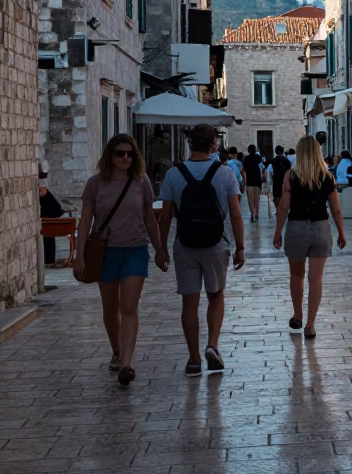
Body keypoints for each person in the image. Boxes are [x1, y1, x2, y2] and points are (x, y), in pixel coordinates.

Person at [73, 134, 167, 386]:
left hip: (135, 250)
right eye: (120, 153)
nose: (125, 157)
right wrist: (78, 255)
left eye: (129, 153)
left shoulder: (141, 182)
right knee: (110, 307)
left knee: (128, 306)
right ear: (110, 156)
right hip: (105, 252)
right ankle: (116, 350)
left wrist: (159, 250)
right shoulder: (95, 184)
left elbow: (150, 218)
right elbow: (85, 223)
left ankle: (126, 362)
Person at [158, 124, 246, 377]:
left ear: (189, 144)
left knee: (189, 301)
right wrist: (240, 247)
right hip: (216, 243)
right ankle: (213, 345)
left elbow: (165, 217)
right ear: (213, 145)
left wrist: (162, 248)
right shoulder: (225, 173)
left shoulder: (174, 174)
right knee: (216, 295)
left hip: (185, 244)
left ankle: (194, 359)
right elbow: (236, 215)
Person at [273, 135, 346, 339]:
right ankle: (310, 325)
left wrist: (278, 231)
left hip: (296, 228)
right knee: (316, 279)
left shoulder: (291, 175)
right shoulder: (328, 177)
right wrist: (341, 232)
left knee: (296, 276)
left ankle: (297, 316)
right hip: (320, 228)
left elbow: (284, 206)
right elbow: (336, 209)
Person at [39, 172, 66, 266]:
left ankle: (49, 261)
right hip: (46, 216)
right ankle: (49, 261)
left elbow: (43, 192)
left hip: (48, 216)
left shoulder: (45, 194)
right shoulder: (45, 194)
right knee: (48, 238)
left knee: (49, 237)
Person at [266, 144, 291, 214]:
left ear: (276, 152)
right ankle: (281, 208)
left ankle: (277, 208)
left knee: (276, 195)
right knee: (282, 194)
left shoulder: (273, 160)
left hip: (276, 179)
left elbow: (268, 168)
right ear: (282, 152)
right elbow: (289, 169)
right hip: (284, 179)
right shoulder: (286, 161)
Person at [242, 144, 264, 222]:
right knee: (257, 200)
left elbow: (244, 169)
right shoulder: (258, 158)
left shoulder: (246, 158)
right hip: (257, 182)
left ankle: (252, 214)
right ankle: (257, 214)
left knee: (250, 200)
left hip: (250, 181)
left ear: (248, 150)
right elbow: (261, 168)